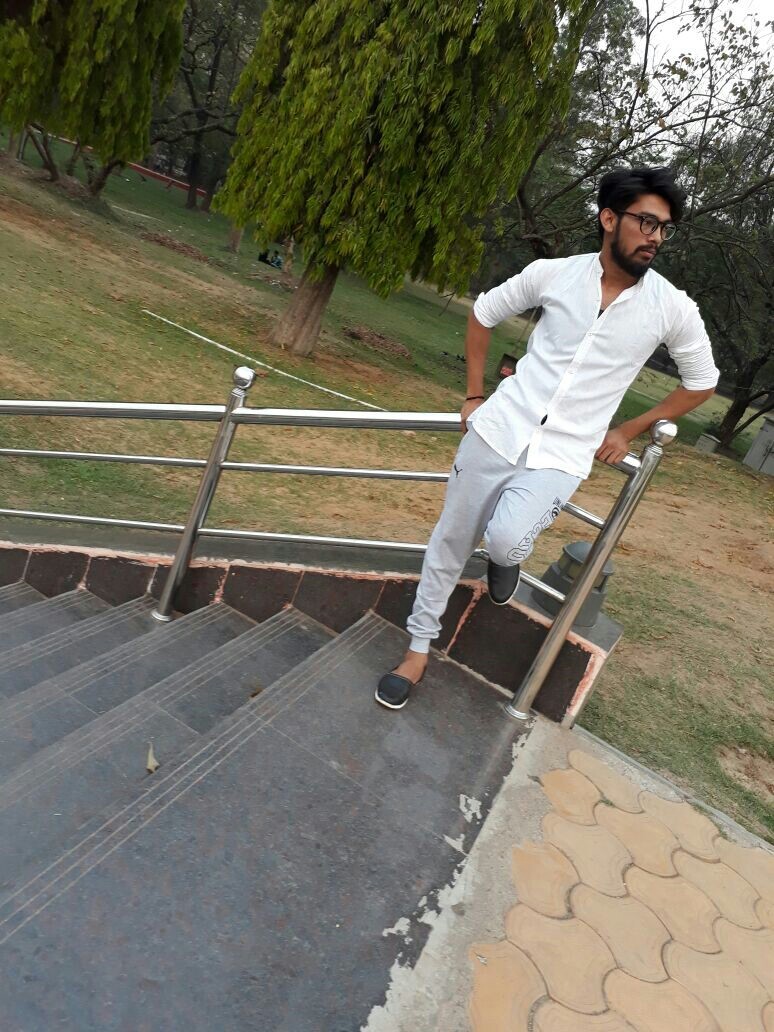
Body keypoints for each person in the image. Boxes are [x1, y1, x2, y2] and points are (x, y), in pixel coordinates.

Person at [375, 166, 720, 710]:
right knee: (450, 541)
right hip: (498, 430)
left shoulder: (671, 307)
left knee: (507, 538)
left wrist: (628, 429)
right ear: (610, 219)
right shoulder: (553, 274)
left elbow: (702, 381)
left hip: (564, 452)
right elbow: (483, 313)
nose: (655, 236)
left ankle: (505, 559)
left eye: (664, 228)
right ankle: (417, 651)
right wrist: (473, 394)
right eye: (646, 222)